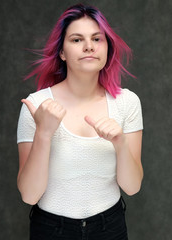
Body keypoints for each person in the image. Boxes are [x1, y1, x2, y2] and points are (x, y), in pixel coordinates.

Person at [17, 3, 143, 239]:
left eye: (97, 39)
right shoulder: (37, 106)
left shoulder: (127, 102)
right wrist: (43, 133)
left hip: (110, 228)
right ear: (62, 52)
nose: (89, 47)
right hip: (51, 230)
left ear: (107, 48)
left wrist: (120, 143)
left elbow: (132, 187)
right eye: (77, 40)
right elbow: (29, 195)